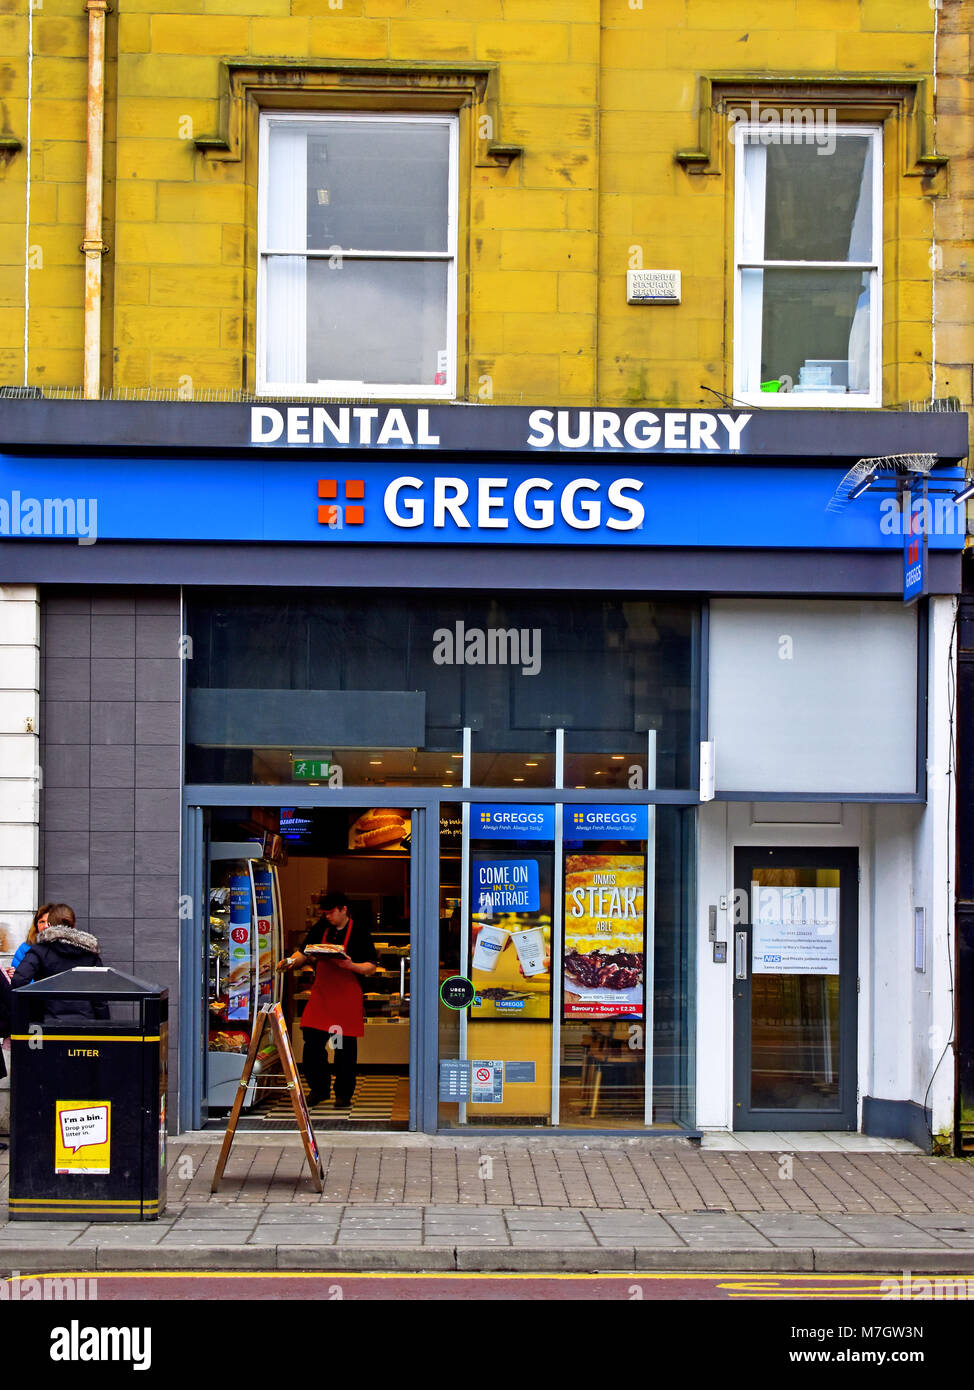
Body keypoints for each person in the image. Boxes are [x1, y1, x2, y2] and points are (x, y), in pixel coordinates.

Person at [278, 891, 377, 1109]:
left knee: (343, 1050)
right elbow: (304, 952)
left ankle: (343, 1094)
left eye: (331, 913)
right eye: (325, 913)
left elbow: (371, 966)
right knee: (312, 1045)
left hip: (346, 999)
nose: (327, 917)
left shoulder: (360, 932)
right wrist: (289, 962)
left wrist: (351, 966)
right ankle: (319, 1089)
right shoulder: (320, 929)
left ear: (344, 909)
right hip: (321, 997)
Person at [11, 903, 109, 1022]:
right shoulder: (89, 954)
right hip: (85, 1023)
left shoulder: (40, 951)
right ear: (73, 925)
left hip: (48, 1023)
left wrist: (34, 1012)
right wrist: (104, 1024)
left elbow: (19, 980)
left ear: (49, 925)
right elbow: (100, 996)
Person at [11, 903, 55, 973]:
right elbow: (19, 977)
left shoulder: (65, 948)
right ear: (36, 925)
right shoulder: (24, 948)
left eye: (50, 921)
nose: (46, 926)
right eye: (42, 922)